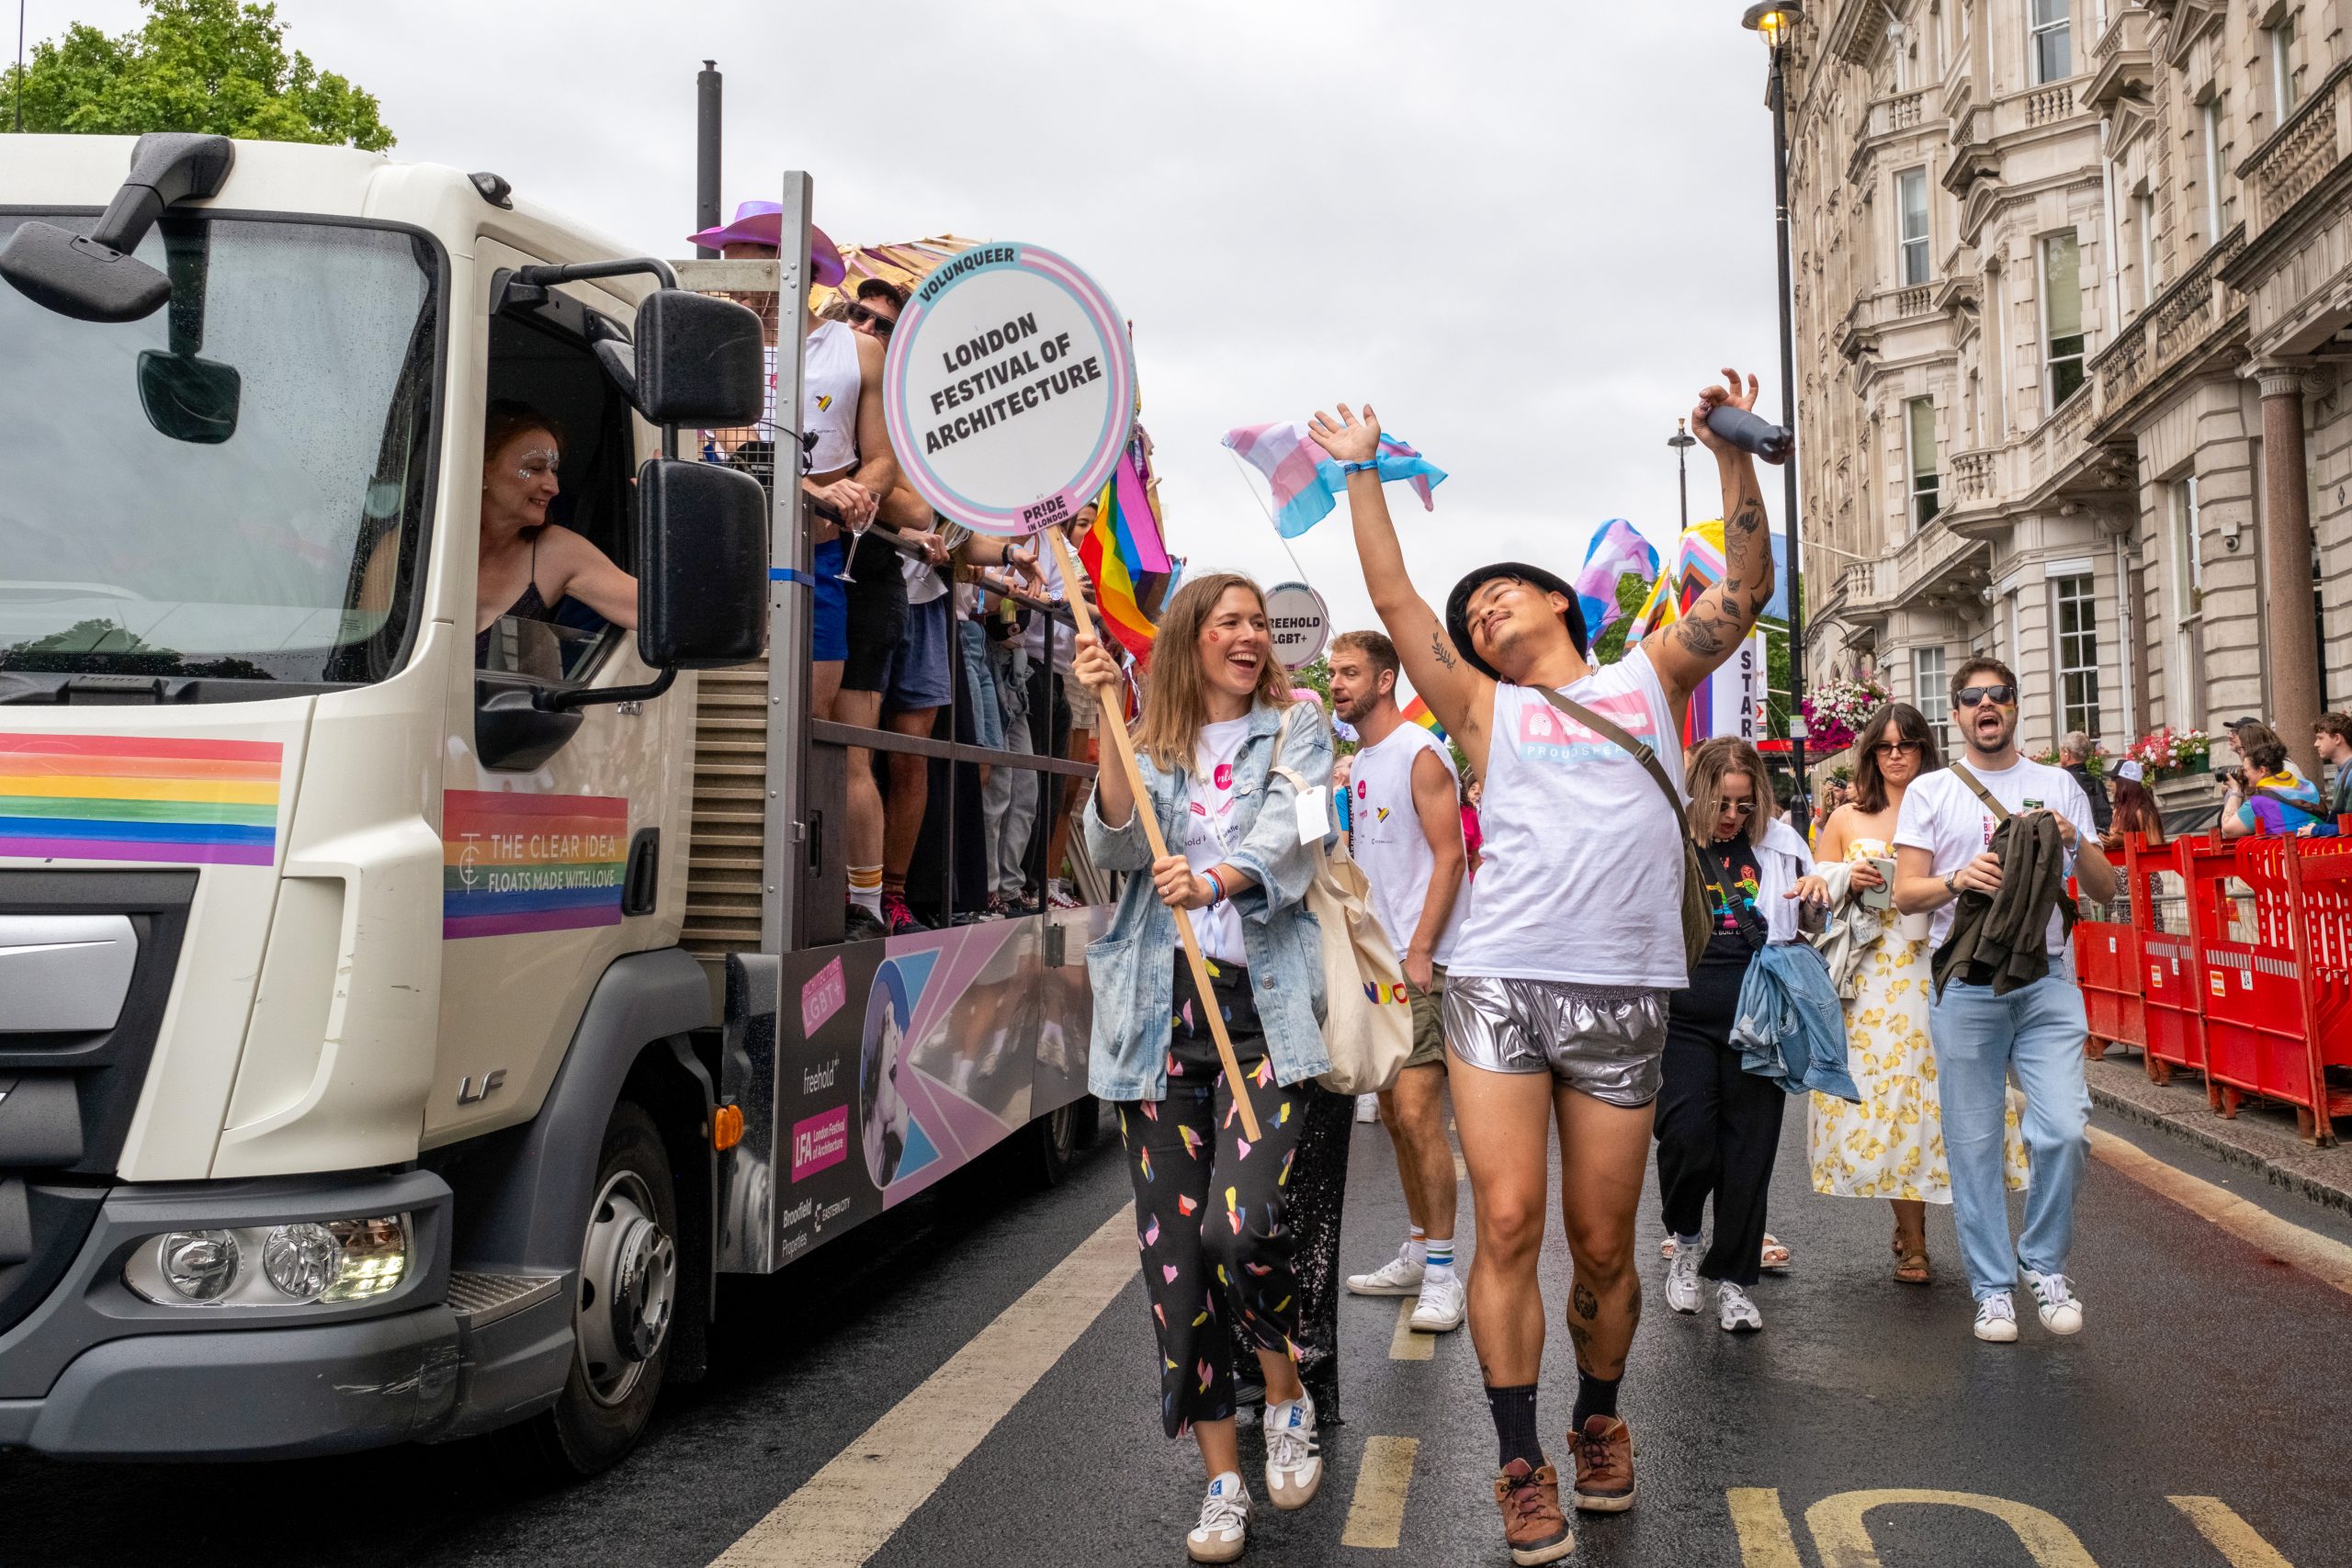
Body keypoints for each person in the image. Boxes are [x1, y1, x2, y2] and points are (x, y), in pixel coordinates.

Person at [1313, 371, 1777, 1563]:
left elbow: (1745, 591)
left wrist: (1729, 452)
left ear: (1559, 602)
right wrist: (1360, 466)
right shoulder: (1482, 712)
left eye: (1500, 595)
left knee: (1606, 1245)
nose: (1481, 615)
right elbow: (1393, 596)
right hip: (1500, 989)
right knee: (1509, 1221)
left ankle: (1598, 1416)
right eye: (1471, 617)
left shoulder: (1648, 676)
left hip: (1622, 995)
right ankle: (1521, 1463)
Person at [1073, 574, 1335, 1563]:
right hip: (1159, 1018)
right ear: (1190, 639)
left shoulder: (1299, 725)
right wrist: (1111, 718)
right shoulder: (1153, 739)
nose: (1250, 634)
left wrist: (1216, 878)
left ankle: (1286, 1392)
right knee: (1177, 1270)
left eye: (1258, 621)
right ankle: (1223, 1480)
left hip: (1261, 1015)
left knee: (1242, 1226)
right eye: (1229, 621)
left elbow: (1295, 842)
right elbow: (1112, 843)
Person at [1893, 656, 2118, 1344]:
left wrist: (2074, 839)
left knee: (2065, 1129)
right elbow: (1905, 894)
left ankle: (2043, 1264)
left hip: (2046, 979)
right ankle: (1992, 1289)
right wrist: (1958, 878)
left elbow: (2105, 890)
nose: (1985, 705)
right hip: (1967, 984)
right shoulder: (1931, 790)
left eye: (1998, 694)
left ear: (2016, 706)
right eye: (1972, 697)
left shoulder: (2058, 784)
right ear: (1956, 713)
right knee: (1975, 1144)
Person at [1806, 704, 2026, 1284]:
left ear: (1925, 749)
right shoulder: (1846, 817)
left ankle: (1959, 1235)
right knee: (1894, 1101)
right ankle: (1914, 1237)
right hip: (1873, 978)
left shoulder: (1950, 803)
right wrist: (1845, 879)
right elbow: (1812, 896)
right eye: (1884, 746)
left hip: (1947, 961)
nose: (1896, 755)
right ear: (1871, 754)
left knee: (1946, 1097)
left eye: (1906, 744)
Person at [1328, 629, 1471, 1336]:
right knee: (1390, 1113)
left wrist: (1420, 950)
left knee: (1417, 1113)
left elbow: (1451, 855)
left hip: (1421, 959)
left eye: (1350, 672)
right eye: (1334, 672)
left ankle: (1444, 1273)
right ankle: (1418, 1251)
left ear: (1386, 680)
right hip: (1377, 960)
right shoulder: (1360, 762)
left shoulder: (1420, 751)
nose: (1336, 683)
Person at [1654, 739, 1816, 1333]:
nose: (1733, 815)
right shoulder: (1671, 841)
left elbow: (1808, 923)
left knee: (1749, 1154)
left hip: (1759, 1018)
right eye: (1722, 803)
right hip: (1683, 1017)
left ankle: (1736, 1281)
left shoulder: (1782, 845)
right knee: (1686, 1140)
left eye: (1745, 804)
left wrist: (1817, 901)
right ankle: (1686, 1239)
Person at [473, 401, 636, 666]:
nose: (553, 487)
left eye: (554, 471)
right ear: (482, 471)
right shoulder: (416, 546)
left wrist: (672, 512)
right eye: (535, 468)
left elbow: (662, 614)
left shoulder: (558, 552)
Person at [2219, 719, 2329, 839]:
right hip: (2319, 845)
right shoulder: (2306, 786)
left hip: (2287, 848)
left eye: (2245, 770)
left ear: (2262, 771)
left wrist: (2236, 791)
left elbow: (2227, 831)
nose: (2243, 774)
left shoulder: (2259, 802)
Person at [2303, 713, 2352, 837]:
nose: (2316, 744)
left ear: (2337, 738)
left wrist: (2316, 830)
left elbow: (2350, 827)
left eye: (2320, 738)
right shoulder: (2342, 771)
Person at [2105, 759, 2165, 852]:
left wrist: (2123, 841)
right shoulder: (2118, 809)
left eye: (2113, 779)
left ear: (2125, 782)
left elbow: (2156, 848)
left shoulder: (2143, 811)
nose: (2109, 784)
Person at [2060, 731, 2111, 837]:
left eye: (2060, 751)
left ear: (2066, 753)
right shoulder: (2098, 782)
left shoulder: (2063, 780)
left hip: (2077, 840)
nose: (2059, 755)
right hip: (2100, 839)